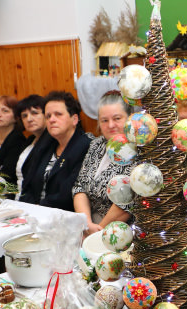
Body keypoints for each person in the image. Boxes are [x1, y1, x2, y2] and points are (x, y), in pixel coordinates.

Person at [19, 91, 91, 211]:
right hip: (33, 213)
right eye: (48, 116)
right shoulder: (46, 143)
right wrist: (27, 208)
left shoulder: (84, 146)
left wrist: (38, 209)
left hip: (63, 216)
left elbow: (67, 194)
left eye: (58, 114)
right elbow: (28, 183)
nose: (52, 120)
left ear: (74, 119)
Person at [73, 90, 132, 234]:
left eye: (117, 118)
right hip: (87, 226)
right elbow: (79, 187)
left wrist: (96, 233)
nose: (111, 125)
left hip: (118, 232)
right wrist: (86, 224)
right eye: (104, 120)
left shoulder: (138, 150)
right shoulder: (96, 144)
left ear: (130, 118)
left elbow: (128, 202)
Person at [14, 95, 48, 199]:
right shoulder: (28, 141)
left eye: (35, 113)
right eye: (24, 116)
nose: (29, 119)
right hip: (19, 198)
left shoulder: (51, 142)